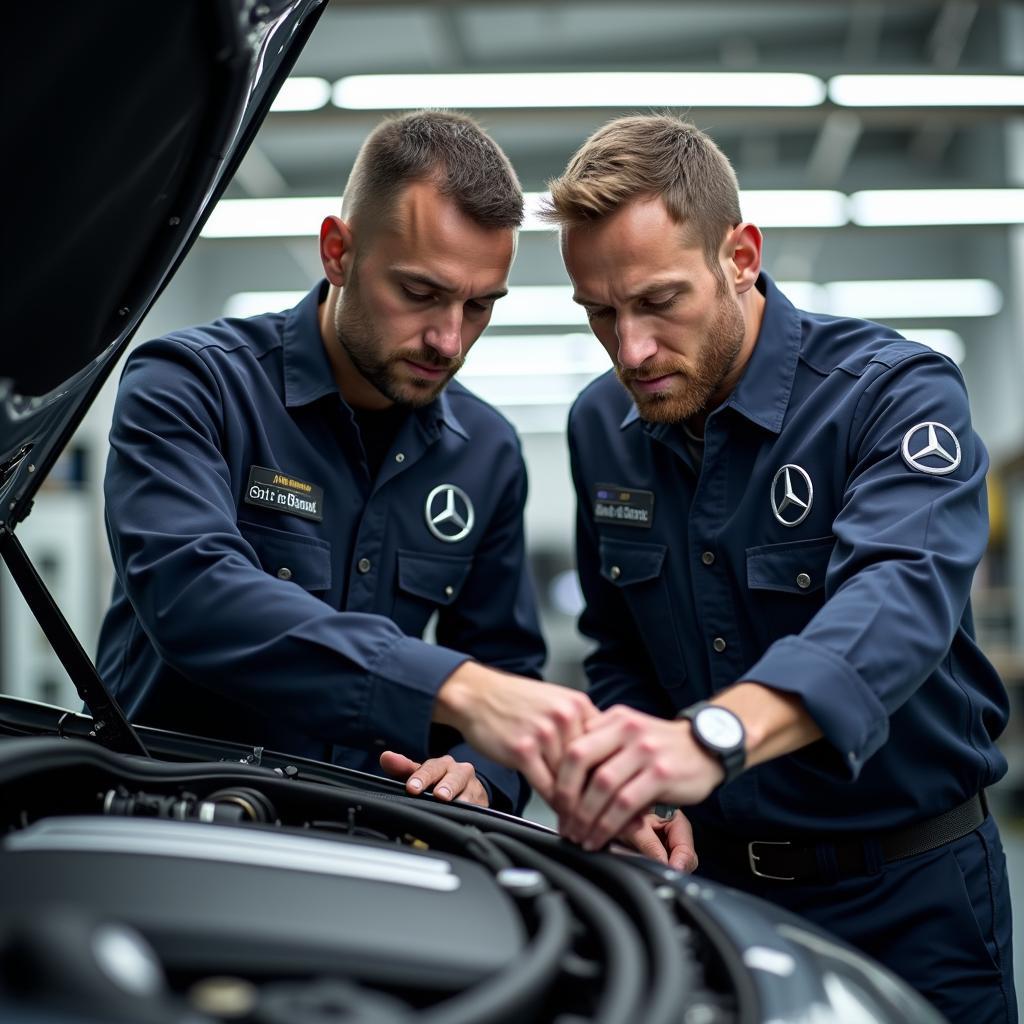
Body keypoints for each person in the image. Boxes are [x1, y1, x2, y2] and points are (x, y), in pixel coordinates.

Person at [543, 114, 1015, 1022]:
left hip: (911, 894)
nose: (629, 349)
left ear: (742, 255)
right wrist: (638, 782)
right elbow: (619, 647)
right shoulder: (601, 427)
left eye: (658, 301)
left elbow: (897, 600)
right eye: (600, 312)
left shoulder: (893, 394)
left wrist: (708, 739)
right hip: (712, 890)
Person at [96, 110, 594, 814]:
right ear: (338, 252)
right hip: (167, 818)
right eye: (420, 293)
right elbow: (192, 593)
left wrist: (481, 768)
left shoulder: (486, 453)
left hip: (365, 836)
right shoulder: (191, 384)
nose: (449, 340)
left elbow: (505, 660)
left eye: (480, 306)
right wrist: (451, 687)